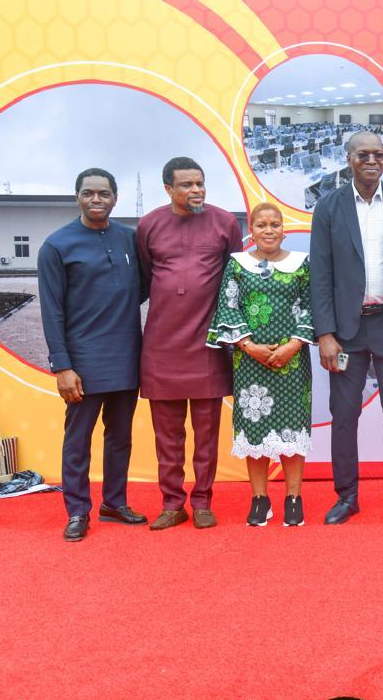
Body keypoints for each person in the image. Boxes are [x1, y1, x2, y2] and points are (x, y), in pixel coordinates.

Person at [310, 131, 383, 525]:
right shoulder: (328, 207)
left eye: (378, 153)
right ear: (348, 158)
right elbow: (320, 274)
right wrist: (324, 333)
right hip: (345, 331)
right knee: (343, 414)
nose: (371, 160)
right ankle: (347, 496)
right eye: (363, 154)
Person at [38, 168, 147, 541]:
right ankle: (78, 511)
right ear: (77, 197)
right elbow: (51, 311)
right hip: (82, 363)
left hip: (128, 355)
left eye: (103, 193)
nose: (96, 199)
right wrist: (63, 365)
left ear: (115, 198)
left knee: (120, 436)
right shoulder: (57, 245)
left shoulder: (130, 240)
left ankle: (114, 502)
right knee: (78, 440)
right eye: (88, 193)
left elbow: (143, 288)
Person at [137, 157, 242, 530]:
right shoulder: (148, 225)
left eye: (200, 183)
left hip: (208, 345)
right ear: (168, 189)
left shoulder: (224, 222)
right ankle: (171, 503)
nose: (196, 190)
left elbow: (235, 280)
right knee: (167, 437)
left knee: (206, 435)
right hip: (161, 346)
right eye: (186, 185)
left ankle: (202, 502)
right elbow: (147, 277)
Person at [207, 203, 314, 527]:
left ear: (283, 228)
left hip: (292, 363)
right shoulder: (237, 265)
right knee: (255, 434)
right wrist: (248, 346)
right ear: (250, 231)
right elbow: (228, 307)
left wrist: (293, 345)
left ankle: (294, 498)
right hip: (249, 362)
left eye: (275, 224)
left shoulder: (301, 264)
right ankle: (259, 499)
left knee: (291, 432)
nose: (269, 230)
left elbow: (311, 307)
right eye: (262, 225)